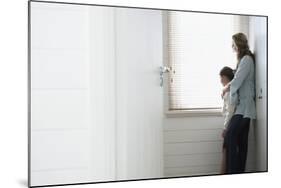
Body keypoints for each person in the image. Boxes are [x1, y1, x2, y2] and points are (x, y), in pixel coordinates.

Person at [223, 33, 256, 174]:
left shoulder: (247, 59)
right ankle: (238, 173)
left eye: (233, 44)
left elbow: (237, 80)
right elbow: (237, 78)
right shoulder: (244, 60)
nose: (232, 47)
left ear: (239, 44)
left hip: (245, 109)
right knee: (241, 143)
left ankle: (233, 172)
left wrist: (225, 87)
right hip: (242, 108)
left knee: (230, 135)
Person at [219, 66, 235, 174]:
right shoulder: (227, 92)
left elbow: (230, 112)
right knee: (226, 151)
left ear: (226, 77)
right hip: (230, 125)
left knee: (226, 151)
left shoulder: (229, 93)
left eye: (221, 77)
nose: (220, 80)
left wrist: (225, 128)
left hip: (230, 125)